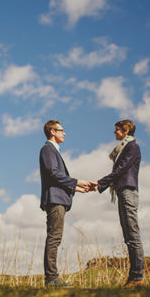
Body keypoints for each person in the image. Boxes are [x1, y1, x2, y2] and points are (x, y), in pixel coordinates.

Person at [39, 120, 96, 287]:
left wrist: (79, 188)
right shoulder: (48, 149)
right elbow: (53, 174)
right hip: (55, 200)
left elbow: (57, 179)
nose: (64, 133)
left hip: (59, 199)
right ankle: (51, 279)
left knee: (55, 238)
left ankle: (52, 278)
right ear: (52, 132)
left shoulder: (53, 151)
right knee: (54, 238)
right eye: (61, 130)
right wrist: (78, 181)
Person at [96, 119, 145, 288]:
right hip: (122, 191)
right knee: (128, 236)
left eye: (117, 130)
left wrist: (100, 183)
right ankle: (133, 278)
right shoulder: (124, 148)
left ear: (126, 131)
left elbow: (120, 169)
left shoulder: (132, 147)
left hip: (128, 191)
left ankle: (138, 278)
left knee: (133, 235)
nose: (114, 133)